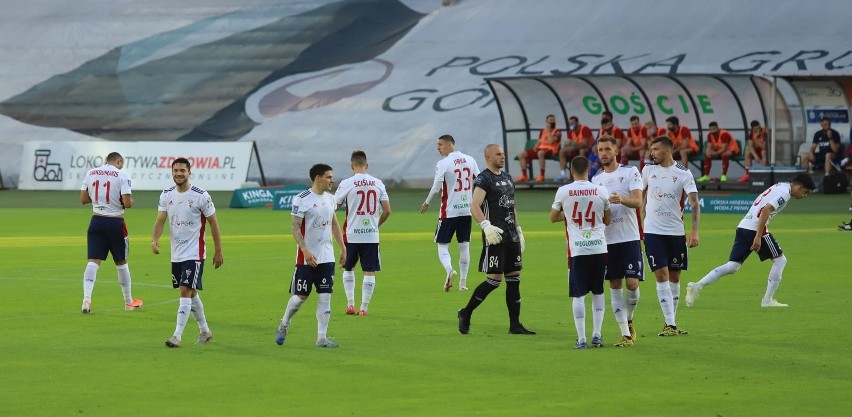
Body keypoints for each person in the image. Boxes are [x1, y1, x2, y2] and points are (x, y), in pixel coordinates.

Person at [686, 174, 815, 308]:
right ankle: (767, 300)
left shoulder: (780, 186)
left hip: (743, 226)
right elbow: (765, 211)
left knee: (732, 266)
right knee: (780, 261)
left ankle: (697, 285)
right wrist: (758, 236)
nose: (804, 195)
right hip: (755, 229)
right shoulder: (785, 193)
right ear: (799, 187)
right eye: (805, 192)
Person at [457, 144, 535, 336]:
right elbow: (474, 206)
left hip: (512, 236)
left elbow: (512, 206)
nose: (503, 156)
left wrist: (519, 229)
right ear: (488, 157)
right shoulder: (484, 179)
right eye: (498, 154)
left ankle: (515, 325)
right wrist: (485, 226)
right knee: (494, 280)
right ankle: (465, 313)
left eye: (503, 154)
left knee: (514, 278)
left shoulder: (508, 178)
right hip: (495, 237)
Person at [152, 158, 224, 348]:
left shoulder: (201, 196)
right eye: (175, 170)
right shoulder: (166, 195)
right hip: (176, 254)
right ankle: (205, 331)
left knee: (184, 290)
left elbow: (213, 223)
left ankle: (177, 336)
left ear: (189, 172)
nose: (178, 174)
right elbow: (160, 219)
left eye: (182, 170)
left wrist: (218, 251)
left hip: (195, 253)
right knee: (190, 293)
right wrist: (155, 239)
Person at [274, 164, 346, 348]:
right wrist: (305, 250)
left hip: (327, 257)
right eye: (329, 177)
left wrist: (343, 248)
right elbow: (295, 227)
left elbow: (335, 224)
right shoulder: (302, 199)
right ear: (317, 178)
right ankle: (284, 323)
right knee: (301, 296)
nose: (332, 180)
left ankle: (321, 338)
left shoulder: (331, 199)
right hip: (306, 257)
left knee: (325, 296)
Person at [551, 156, 612, 349]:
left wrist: (568, 214)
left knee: (578, 294)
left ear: (571, 171)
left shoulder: (564, 191)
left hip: (577, 250)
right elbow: (608, 219)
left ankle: (581, 339)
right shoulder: (601, 190)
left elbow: (553, 217)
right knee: (598, 290)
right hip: (599, 247)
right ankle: (597, 335)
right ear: (589, 170)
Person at [642, 136, 700, 336]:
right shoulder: (648, 170)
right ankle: (670, 324)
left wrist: (694, 231)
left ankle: (672, 323)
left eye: (656, 149)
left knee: (675, 277)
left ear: (668, 151)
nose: (652, 153)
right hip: (652, 232)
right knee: (661, 275)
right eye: (651, 149)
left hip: (675, 232)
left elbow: (693, 203)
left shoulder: (683, 173)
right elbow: (640, 198)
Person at [591, 137, 644, 347]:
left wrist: (621, 199)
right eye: (600, 150)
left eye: (607, 149)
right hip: (607, 240)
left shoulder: (630, 172)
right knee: (614, 285)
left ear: (616, 151)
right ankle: (625, 335)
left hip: (629, 237)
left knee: (632, 284)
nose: (603, 153)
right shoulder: (596, 181)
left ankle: (629, 319)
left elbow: (638, 201)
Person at [79, 152, 143, 314]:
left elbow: (83, 198)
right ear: (119, 161)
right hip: (115, 222)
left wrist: (100, 200)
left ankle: (86, 299)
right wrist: (127, 201)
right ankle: (128, 302)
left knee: (93, 261)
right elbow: (127, 203)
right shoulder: (122, 174)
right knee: (121, 262)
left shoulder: (91, 172)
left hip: (96, 221)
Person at [335, 150, 391, 316]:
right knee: (369, 270)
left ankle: (350, 304)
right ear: (366, 165)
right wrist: (376, 225)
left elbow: (334, 207)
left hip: (351, 234)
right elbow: (387, 210)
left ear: (352, 166)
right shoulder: (378, 183)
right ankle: (364, 308)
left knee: (348, 268)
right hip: (371, 235)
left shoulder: (346, 183)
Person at [421, 135, 480, 291]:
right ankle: (463, 283)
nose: (438, 148)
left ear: (449, 145)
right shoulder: (470, 160)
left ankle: (449, 269)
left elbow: (436, 187)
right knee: (464, 246)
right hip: (467, 211)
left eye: (440, 145)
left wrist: (427, 202)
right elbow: (480, 181)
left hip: (449, 212)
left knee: (442, 245)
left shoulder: (443, 163)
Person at [517, 114, 561, 182]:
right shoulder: (543, 130)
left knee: (540, 153)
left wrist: (548, 130)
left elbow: (551, 141)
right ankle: (524, 176)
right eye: (550, 120)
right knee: (521, 154)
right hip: (540, 149)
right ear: (547, 121)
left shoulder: (557, 131)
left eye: (553, 120)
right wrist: (536, 145)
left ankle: (542, 175)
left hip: (551, 150)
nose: (552, 121)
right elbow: (540, 140)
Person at [557, 116, 594, 181]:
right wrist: (567, 146)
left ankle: (582, 174)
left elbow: (585, 144)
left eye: (573, 123)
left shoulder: (585, 129)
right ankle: (563, 174)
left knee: (582, 151)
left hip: (588, 149)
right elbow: (567, 143)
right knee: (562, 151)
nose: (571, 125)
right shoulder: (571, 131)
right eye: (570, 124)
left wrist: (572, 147)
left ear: (577, 122)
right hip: (576, 149)